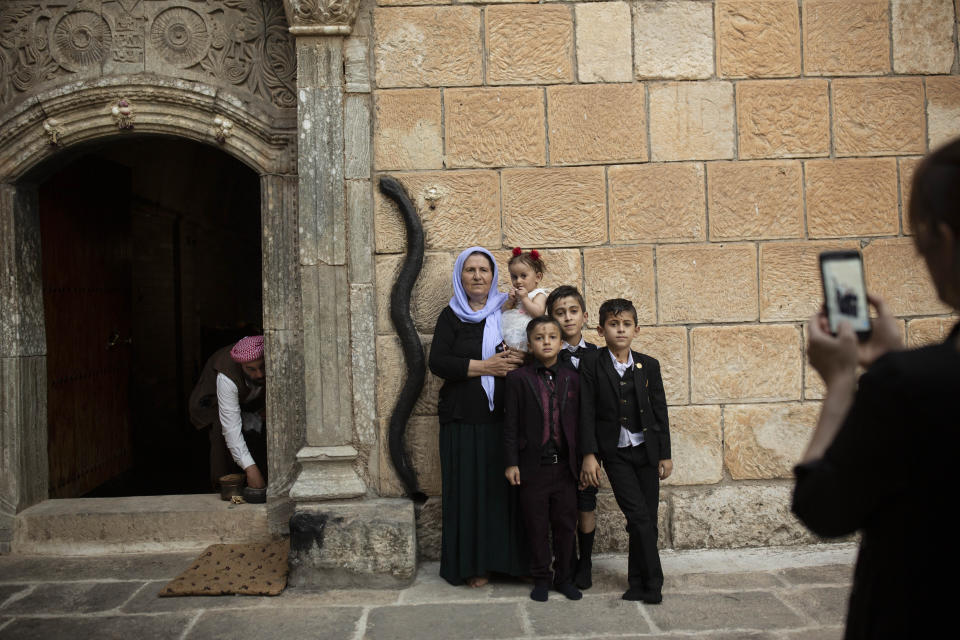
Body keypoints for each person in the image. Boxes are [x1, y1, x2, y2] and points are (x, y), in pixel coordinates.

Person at [792, 140, 960, 639]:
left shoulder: (910, 386)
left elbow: (822, 507)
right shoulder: (912, 380)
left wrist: (844, 383)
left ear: (943, 239)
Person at [429, 246, 528, 587]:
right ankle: (475, 565)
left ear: (493, 275)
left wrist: (518, 360)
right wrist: (484, 367)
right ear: (460, 276)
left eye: (483, 270)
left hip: (504, 417)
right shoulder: (451, 315)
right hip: (462, 419)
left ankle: (507, 563)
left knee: (502, 492)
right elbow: (438, 362)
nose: (477, 276)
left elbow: (530, 346)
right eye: (469, 270)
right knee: (468, 493)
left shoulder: (508, 310)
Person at [579, 299, 672, 604]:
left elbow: (660, 412)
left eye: (626, 324)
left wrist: (664, 454)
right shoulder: (592, 363)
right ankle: (654, 582)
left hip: (646, 451)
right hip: (615, 453)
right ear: (601, 329)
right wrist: (589, 454)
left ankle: (636, 582)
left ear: (636, 329)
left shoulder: (649, 366)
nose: (620, 330)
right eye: (613, 324)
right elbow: (587, 410)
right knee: (638, 515)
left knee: (646, 519)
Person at [504, 316, 583, 602]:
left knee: (565, 525)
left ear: (561, 343)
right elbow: (510, 424)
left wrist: (586, 459)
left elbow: (581, 423)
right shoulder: (517, 380)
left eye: (552, 337)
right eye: (539, 338)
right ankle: (540, 577)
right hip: (532, 468)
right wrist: (511, 462)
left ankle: (564, 577)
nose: (546, 342)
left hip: (565, 468)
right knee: (536, 525)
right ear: (529, 344)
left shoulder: (573, 378)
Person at [547, 285, 599, 589]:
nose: (567, 318)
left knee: (585, 502)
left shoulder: (597, 356)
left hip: (589, 443)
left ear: (584, 316)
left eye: (573, 311)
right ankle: (564, 560)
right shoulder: (549, 356)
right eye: (560, 313)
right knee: (561, 504)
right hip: (557, 445)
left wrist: (591, 453)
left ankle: (586, 561)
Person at [189, 336, 267, 490]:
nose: (258, 374)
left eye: (262, 367)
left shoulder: (272, 357)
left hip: (248, 404)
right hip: (211, 406)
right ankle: (227, 490)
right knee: (221, 442)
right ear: (241, 365)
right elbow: (231, 427)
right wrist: (251, 469)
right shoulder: (226, 377)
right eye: (251, 369)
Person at [500, 247, 548, 352]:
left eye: (523, 276)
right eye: (514, 277)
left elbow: (538, 313)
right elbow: (503, 311)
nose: (518, 281)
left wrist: (525, 299)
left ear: (538, 277)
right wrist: (510, 301)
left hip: (528, 334)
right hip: (512, 332)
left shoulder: (539, 295)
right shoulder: (516, 294)